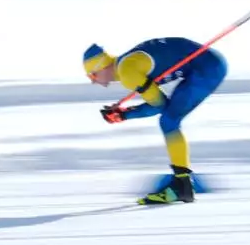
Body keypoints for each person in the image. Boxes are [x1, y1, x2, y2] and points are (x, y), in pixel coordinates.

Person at [84, 37, 228, 205]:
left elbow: (159, 105)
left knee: (169, 121)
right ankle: (182, 184)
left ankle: (182, 186)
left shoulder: (127, 72)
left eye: (93, 75)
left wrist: (124, 115)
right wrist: (123, 113)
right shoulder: (126, 65)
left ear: (102, 66)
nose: (93, 81)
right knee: (169, 120)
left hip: (208, 68)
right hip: (204, 65)